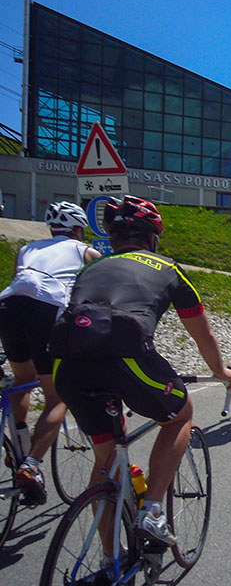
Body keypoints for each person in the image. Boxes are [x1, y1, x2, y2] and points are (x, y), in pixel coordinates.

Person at [51, 195, 231, 546]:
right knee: (180, 414)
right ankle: (152, 511)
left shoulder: (91, 268)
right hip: (124, 349)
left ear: (114, 239)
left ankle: (109, 560)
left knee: (106, 459)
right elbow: (203, 333)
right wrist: (221, 371)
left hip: (67, 360)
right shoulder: (167, 267)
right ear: (153, 237)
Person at [0, 201, 101, 505]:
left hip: (7, 305)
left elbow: (23, 281)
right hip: (45, 309)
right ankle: (31, 465)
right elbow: (96, 288)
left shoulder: (28, 248)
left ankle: (19, 442)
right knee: (57, 396)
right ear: (78, 229)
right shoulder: (83, 250)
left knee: (23, 378)